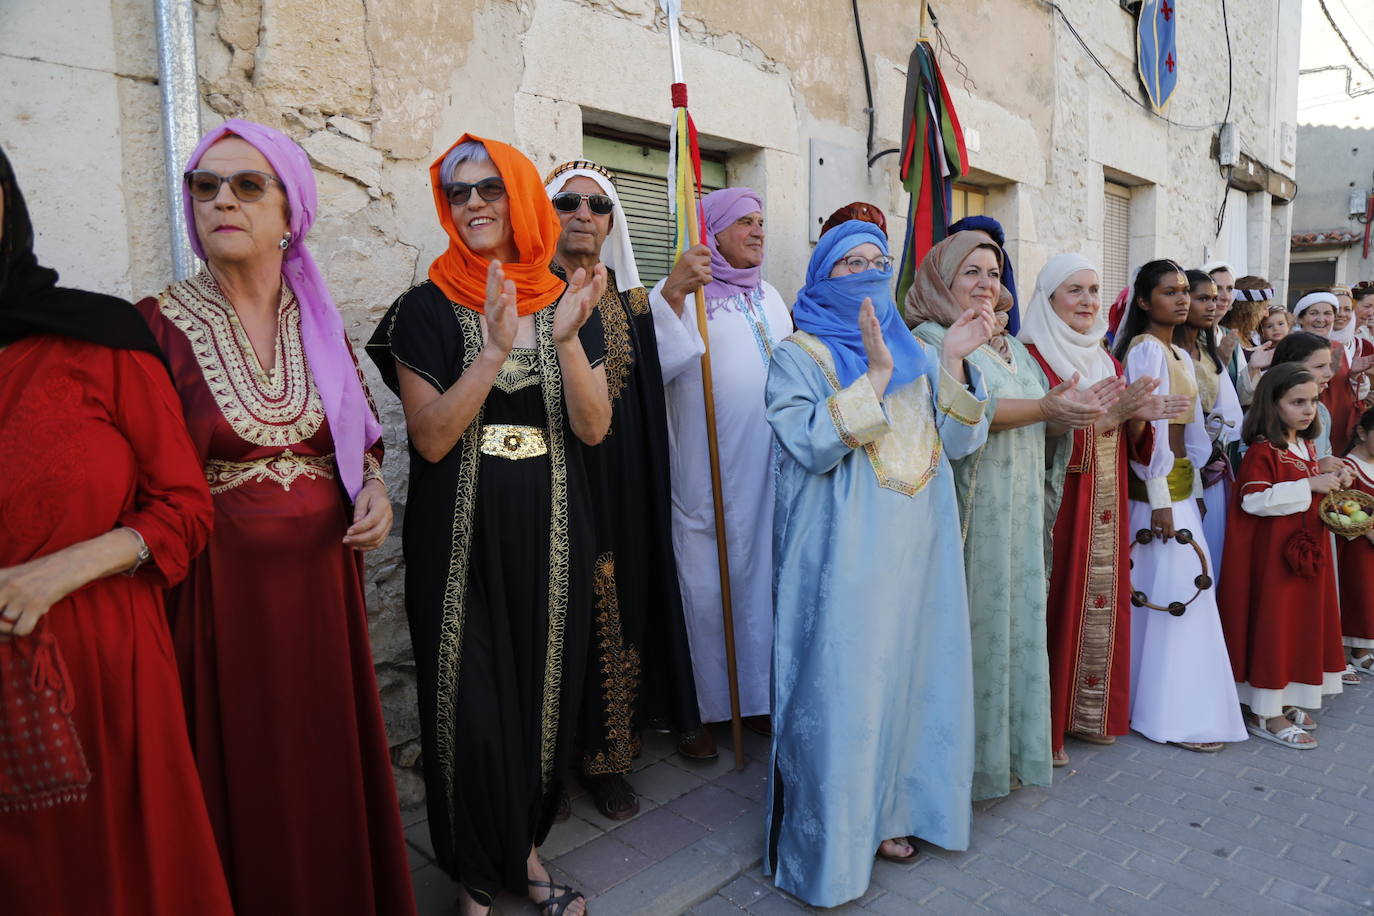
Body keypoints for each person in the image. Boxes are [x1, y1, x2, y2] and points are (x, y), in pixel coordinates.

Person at [137, 119, 414, 916]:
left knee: (322, 765)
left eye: (247, 184)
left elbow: (357, 437)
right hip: (219, 605)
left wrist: (375, 490)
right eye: (204, 185)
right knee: (241, 772)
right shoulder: (154, 324)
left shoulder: (318, 320)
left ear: (291, 212)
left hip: (323, 596)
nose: (222, 199)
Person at [367, 134, 608, 916]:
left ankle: (525, 855)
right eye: (457, 191)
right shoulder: (423, 309)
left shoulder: (569, 299)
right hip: (459, 537)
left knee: (542, 693)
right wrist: (494, 350)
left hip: (553, 529)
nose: (472, 203)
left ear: (519, 197)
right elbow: (433, 438)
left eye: (489, 188)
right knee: (464, 705)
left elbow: (594, 426)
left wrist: (565, 339)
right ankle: (473, 880)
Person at [0, 148, 232, 916]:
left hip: (105, 671)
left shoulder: (98, 339)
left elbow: (184, 507)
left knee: (125, 882)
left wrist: (56, 571)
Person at [764, 220, 994, 907]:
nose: (866, 273)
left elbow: (954, 444)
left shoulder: (917, 347)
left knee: (912, 685)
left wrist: (950, 360)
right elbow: (808, 443)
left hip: (921, 555)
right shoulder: (796, 354)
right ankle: (835, 844)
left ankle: (895, 815)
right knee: (847, 695)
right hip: (846, 558)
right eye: (849, 265)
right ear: (822, 277)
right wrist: (875, 376)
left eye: (877, 262)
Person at [907, 230, 1107, 798]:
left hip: (1017, 510)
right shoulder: (928, 339)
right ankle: (962, 772)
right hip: (968, 511)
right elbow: (959, 416)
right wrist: (1046, 406)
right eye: (971, 272)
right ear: (943, 279)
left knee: (1015, 628)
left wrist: (1073, 413)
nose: (985, 285)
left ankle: (1007, 756)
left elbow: (1043, 418)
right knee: (973, 632)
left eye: (993, 274)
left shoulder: (1012, 346)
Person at [542, 159, 699, 819]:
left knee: (617, 613)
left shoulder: (633, 306)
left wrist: (675, 295)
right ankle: (542, 769)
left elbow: (661, 382)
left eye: (598, 205)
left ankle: (607, 761)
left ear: (613, 223)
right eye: (568, 203)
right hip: (547, 488)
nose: (583, 214)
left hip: (620, 492)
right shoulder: (525, 293)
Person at [1020, 254, 1187, 768]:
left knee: (1098, 602)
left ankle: (1086, 713)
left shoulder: (1104, 359)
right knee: (1055, 604)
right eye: (1074, 291)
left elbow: (1125, 437)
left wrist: (1138, 418)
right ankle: (1044, 729)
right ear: (1048, 299)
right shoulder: (1031, 357)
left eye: (1094, 290)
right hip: (1059, 510)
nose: (1088, 301)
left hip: (1106, 506)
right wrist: (1110, 416)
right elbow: (1032, 440)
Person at [649, 186, 792, 760]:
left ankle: (753, 697)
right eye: (743, 222)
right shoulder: (686, 296)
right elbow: (654, 365)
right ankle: (699, 711)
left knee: (763, 584)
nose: (757, 231)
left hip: (769, 469)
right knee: (704, 589)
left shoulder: (774, 297)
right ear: (712, 232)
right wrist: (675, 297)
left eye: (761, 221)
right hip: (706, 470)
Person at [1112, 259, 1247, 753]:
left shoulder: (1181, 355)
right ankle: (1171, 715)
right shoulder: (1146, 351)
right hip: (1157, 494)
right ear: (1145, 301)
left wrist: (1190, 489)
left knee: (1183, 592)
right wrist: (1162, 496)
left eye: (1185, 291)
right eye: (1169, 292)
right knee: (1173, 597)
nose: (1183, 299)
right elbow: (1143, 431)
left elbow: (1189, 433)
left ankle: (1162, 705)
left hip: (1180, 490)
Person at [1219, 365, 1349, 749]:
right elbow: (1253, 499)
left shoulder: (1302, 445)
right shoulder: (1264, 449)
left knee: (1296, 626)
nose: (1308, 410)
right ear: (1272, 405)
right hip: (1274, 561)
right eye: (1297, 402)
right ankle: (1265, 711)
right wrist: (1309, 483)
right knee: (1275, 627)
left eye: (1313, 401)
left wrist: (1324, 476)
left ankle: (1284, 696)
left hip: (1301, 557)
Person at [1176, 270, 1243, 564]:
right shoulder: (1164, 351)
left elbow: (1229, 412)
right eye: (1202, 298)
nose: (1213, 306)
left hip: (1211, 464)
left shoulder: (1206, 350)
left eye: (1215, 299)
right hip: (1178, 468)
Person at [1293, 291, 1369, 454]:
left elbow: (1352, 393)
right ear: (1301, 318)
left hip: (1338, 424)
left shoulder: (1338, 347)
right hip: (1305, 424)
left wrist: (1354, 376)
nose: (1321, 319)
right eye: (1314, 313)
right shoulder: (1290, 347)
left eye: (1327, 313)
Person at [1339, 408, 1374, 674]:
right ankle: (1352, 652)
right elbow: (1340, 508)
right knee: (1357, 593)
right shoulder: (1348, 468)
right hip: (1356, 545)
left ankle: (1365, 647)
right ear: (1361, 432)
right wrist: (1368, 531)